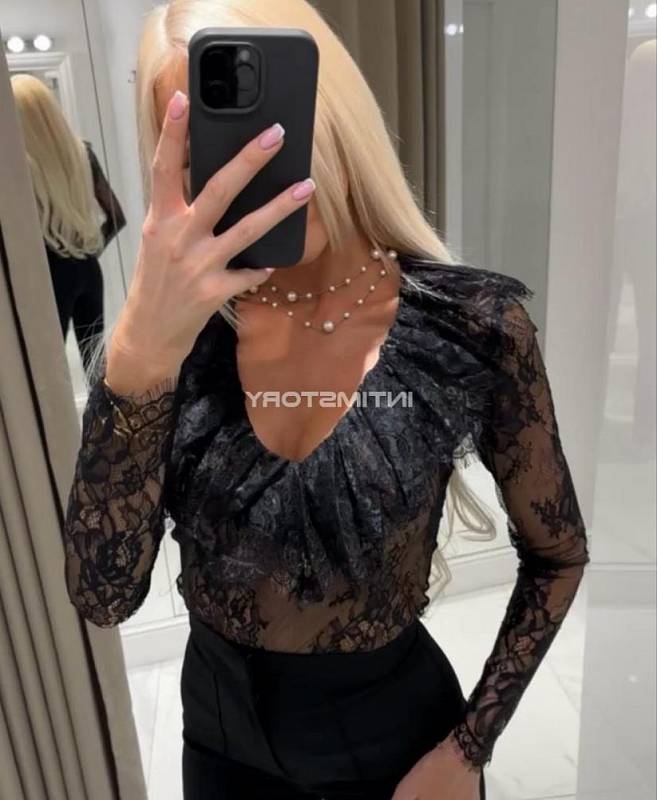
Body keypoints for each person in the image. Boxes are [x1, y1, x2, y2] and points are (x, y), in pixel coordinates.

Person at [61, 1, 591, 798]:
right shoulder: (177, 344)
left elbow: (557, 556)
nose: (252, 172)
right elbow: (102, 596)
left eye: (269, 132)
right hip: (218, 748)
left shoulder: (470, 326)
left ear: (332, 116)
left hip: (396, 749)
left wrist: (466, 749)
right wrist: (140, 353)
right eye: (214, 149)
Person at [10, 73, 126, 380]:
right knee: (95, 364)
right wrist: (84, 250)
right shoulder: (81, 153)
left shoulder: (20, 166)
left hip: (51, 272)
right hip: (88, 270)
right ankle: (106, 414)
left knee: (49, 368)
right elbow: (117, 217)